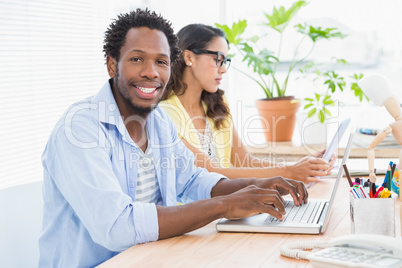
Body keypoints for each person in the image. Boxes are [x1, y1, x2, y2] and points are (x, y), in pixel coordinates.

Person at [38, 9, 308, 267]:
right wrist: (225, 205)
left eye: (161, 61)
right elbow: (117, 227)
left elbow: (190, 179)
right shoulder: (79, 129)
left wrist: (255, 185)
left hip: (155, 257)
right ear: (112, 65)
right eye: (136, 59)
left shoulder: (158, 122)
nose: (151, 72)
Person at [160, 24, 334, 184]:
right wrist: (290, 171)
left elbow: (245, 161)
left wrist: (302, 167)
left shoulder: (216, 105)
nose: (224, 69)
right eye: (218, 59)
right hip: (193, 213)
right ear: (189, 57)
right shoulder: (164, 113)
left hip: (225, 206)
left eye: (225, 61)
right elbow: (210, 171)